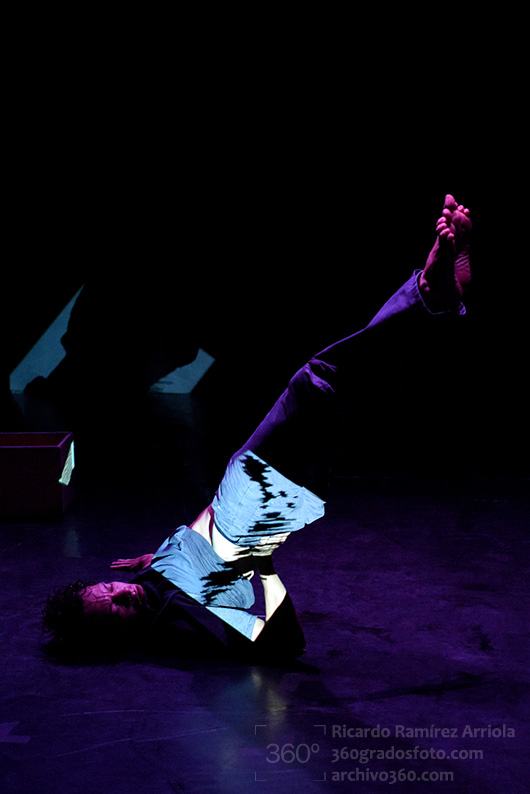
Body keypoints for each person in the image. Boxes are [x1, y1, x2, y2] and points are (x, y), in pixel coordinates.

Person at [42, 194, 472, 661]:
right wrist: (257, 564)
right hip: (255, 497)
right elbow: (286, 643)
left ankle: (435, 304)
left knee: (346, 391)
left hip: (248, 494)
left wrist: (158, 560)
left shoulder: (152, 591)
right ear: (117, 639)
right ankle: (430, 295)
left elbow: (187, 563)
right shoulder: (180, 619)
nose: (124, 594)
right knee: (321, 384)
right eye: (115, 610)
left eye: (109, 589)